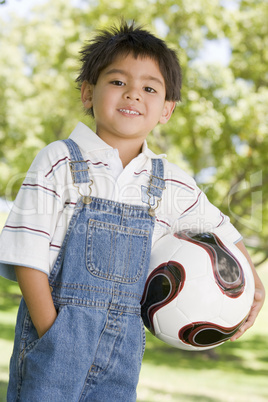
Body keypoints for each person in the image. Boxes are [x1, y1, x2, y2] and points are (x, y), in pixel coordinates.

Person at [0, 21, 265, 401]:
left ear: (166, 110)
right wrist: (53, 335)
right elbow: (27, 256)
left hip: (122, 353)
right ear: (88, 93)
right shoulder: (59, 160)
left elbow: (221, 230)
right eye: (118, 82)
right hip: (55, 338)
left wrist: (254, 284)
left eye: (150, 88)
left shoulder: (172, 182)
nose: (133, 95)